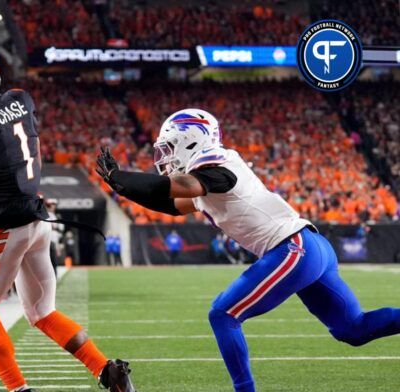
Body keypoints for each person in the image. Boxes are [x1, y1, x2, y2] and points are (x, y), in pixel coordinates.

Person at [96, 108, 400, 392]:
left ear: (190, 140)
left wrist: (120, 178)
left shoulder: (217, 163)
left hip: (293, 248)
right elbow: (172, 205)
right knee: (353, 329)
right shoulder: (205, 179)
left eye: (170, 146)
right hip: (308, 247)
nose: (165, 156)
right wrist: (121, 185)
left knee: (223, 314)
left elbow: (181, 188)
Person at [0, 47, 135, 392]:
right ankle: (108, 371)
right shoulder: (21, 99)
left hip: (3, 226)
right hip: (38, 221)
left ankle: (18, 388)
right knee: (43, 312)